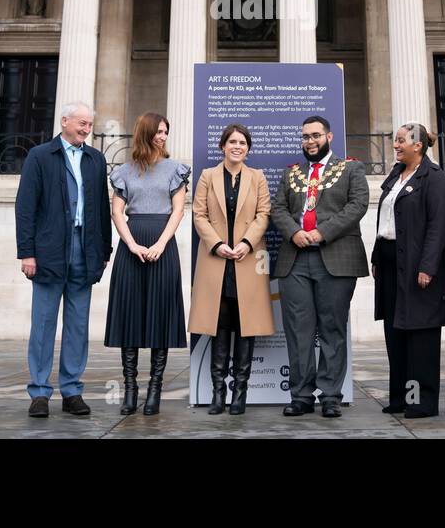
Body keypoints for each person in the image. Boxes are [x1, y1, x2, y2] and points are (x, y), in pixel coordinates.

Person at [15, 102, 112, 419]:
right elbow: (26, 207)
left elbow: (101, 209)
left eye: (89, 124)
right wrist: (26, 252)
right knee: (43, 324)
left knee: (77, 326)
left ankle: (72, 391)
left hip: (85, 251)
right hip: (49, 252)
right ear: (65, 121)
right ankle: (40, 392)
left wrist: (104, 251)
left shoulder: (96, 159)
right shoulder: (40, 156)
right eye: (81, 123)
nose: (86, 128)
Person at [271, 115, 369, 418]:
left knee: (332, 328)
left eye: (315, 135)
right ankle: (301, 395)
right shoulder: (292, 174)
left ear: (329, 137)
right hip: (295, 259)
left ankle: (330, 395)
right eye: (305, 137)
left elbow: (358, 204)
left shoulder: (351, 168)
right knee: (298, 331)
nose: (309, 141)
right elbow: (278, 208)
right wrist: (295, 232)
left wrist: (322, 231)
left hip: (336, 257)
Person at [105, 112, 190, 415]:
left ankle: (155, 388)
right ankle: (130, 388)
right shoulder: (124, 171)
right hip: (132, 245)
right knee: (130, 316)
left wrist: (160, 244)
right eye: (158, 132)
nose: (163, 137)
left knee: (160, 315)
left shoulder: (175, 169)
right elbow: (117, 212)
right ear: (146, 133)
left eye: (166, 132)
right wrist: (131, 244)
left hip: (162, 245)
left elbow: (178, 211)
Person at [188, 124, 275, 415]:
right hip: (216, 260)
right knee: (219, 325)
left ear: (248, 148)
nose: (237, 146)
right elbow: (198, 214)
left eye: (242, 142)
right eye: (232, 141)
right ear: (223, 145)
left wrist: (247, 243)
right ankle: (217, 394)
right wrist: (217, 244)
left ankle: (240, 393)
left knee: (246, 326)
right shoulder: (207, 177)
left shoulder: (258, 177)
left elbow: (264, 214)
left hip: (247, 260)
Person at [372, 123, 445, 418]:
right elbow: (385, 220)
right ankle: (400, 398)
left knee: (419, 337)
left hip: (419, 267)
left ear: (417, 145)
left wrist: (427, 266)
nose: (395, 145)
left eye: (400, 141)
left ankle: (421, 401)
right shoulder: (396, 175)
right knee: (396, 333)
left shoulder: (433, 178)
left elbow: (437, 226)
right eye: (395, 140)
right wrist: (375, 256)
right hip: (391, 262)